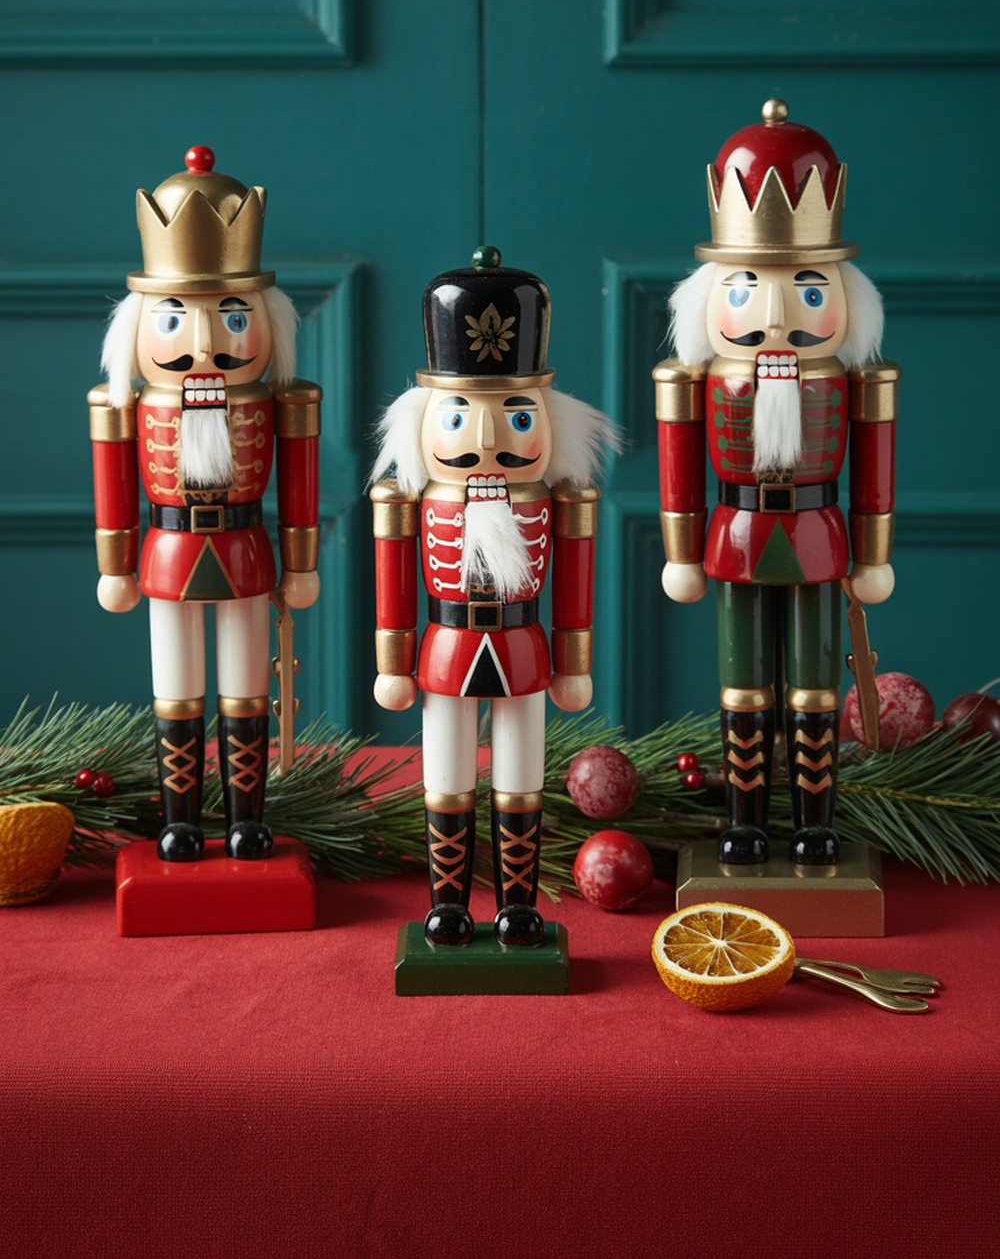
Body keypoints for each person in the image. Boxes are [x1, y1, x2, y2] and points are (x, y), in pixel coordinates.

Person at [655, 100, 899, 868]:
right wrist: (680, 549)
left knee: (816, 690)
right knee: (743, 687)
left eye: (807, 290)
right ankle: (746, 821)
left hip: (822, 535)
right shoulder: (701, 381)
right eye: (746, 289)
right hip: (735, 533)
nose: (774, 313)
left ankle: (813, 823)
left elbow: (875, 469)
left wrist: (875, 550)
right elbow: (679, 467)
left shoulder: (853, 380)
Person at [370, 246, 619, 946]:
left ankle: (518, 903)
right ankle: (447, 902)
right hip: (446, 645)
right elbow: (393, 579)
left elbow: (574, 579)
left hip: (522, 643)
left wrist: (573, 661)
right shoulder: (412, 499)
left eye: (514, 418)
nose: (486, 440)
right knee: (445, 779)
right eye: (458, 418)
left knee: (520, 779)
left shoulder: (559, 497)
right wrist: (392, 663)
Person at [89, 145, 321, 862]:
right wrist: (116, 564)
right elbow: (114, 486)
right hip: (167, 550)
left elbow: (301, 484)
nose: (204, 343)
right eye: (174, 319)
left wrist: (302, 561)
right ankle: (181, 820)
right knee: (178, 691)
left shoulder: (279, 401)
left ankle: (247, 819)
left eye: (228, 316)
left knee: (247, 691)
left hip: (248, 548)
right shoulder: (128, 405)